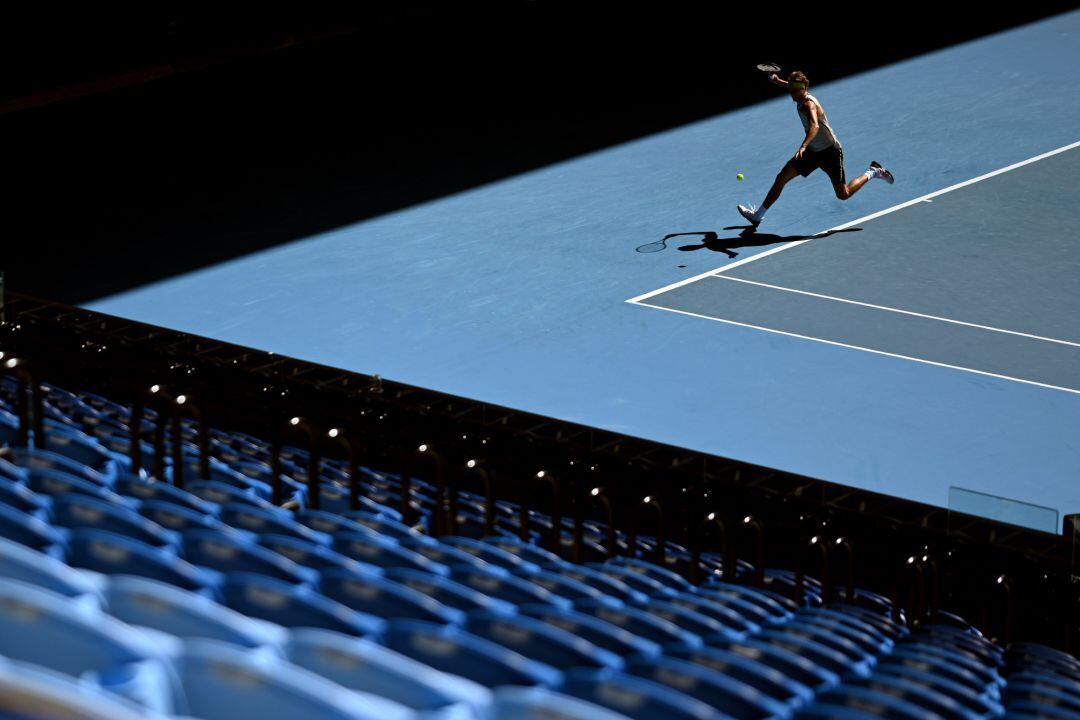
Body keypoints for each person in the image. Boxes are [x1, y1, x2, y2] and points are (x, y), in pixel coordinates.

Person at [738, 70, 893, 227]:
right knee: (781, 178)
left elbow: (814, 126)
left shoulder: (808, 105)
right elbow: (792, 87)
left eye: (793, 89)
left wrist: (804, 146)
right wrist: (779, 81)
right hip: (812, 152)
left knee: (843, 194)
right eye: (790, 88)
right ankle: (758, 216)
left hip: (829, 152)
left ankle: (873, 172)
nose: (790, 93)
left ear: (802, 89)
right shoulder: (800, 93)